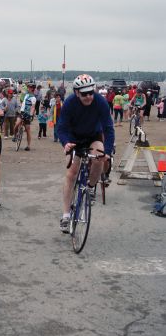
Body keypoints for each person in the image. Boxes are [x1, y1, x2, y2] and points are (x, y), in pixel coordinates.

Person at [57, 74, 115, 233]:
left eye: (91, 92)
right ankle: (66, 214)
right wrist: (66, 142)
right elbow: (61, 127)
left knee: (99, 158)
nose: (89, 96)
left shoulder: (100, 101)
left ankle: (90, 188)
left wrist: (108, 152)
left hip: (93, 136)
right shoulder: (69, 103)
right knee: (71, 173)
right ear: (76, 93)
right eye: (84, 94)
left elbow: (109, 128)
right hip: (74, 138)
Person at [13, 82, 36, 151]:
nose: (28, 88)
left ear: (32, 89)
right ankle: (15, 136)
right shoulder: (26, 95)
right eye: (28, 87)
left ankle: (28, 145)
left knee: (27, 129)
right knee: (16, 124)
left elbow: (33, 107)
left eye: (29, 87)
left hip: (27, 114)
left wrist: (31, 115)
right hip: (22, 112)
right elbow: (21, 91)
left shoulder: (33, 98)